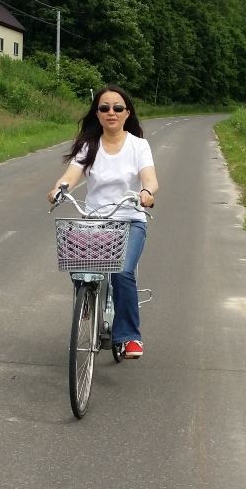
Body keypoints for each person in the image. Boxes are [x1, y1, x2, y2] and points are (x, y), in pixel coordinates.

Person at [48, 86, 158, 359]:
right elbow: (71, 176)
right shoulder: (89, 145)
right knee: (78, 263)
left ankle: (130, 337)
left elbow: (150, 179)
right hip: (95, 221)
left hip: (129, 219)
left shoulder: (138, 145)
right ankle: (87, 297)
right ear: (97, 114)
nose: (111, 112)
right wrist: (58, 190)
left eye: (117, 108)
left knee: (122, 272)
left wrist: (146, 193)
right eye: (104, 108)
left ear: (126, 113)